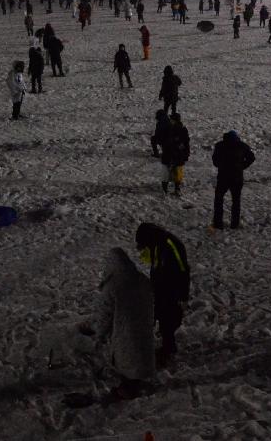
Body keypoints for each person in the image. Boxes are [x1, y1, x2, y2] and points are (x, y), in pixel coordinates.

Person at [92, 247, 156, 399]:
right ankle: (135, 383)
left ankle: (128, 390)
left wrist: (99, 334)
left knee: (127, 359)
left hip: (124, 331)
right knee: (139, 356)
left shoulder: (113, 286)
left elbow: (105, 315)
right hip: (143, 327)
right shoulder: (142, 279)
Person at [135, 223, 190, 363]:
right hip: (160, 286)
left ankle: (169, 348)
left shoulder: (170, 245)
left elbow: (183, 270)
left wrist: (183, 295)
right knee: (160, 313)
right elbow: (155, 265)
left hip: (172, 288)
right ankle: (166, 344)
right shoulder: (156, 244)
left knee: (168, 317)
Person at [211, 131, 255, 229]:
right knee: (236, 201)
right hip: (237, 177)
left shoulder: (220, 145)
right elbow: (251, 157)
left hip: (223, 176)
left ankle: (218, 224)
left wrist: (220, 165)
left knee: (218, 200)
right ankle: (234, 224)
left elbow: (215, 159)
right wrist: (242, 166)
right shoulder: (242, 145)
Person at [160, 113, 189, 196]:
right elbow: (186, 143)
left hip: (172, 154)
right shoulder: (182, 129)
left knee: (169, 172)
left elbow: (185, 143)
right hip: (176, 154)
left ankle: (169, 189)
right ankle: (174, 188)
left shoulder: (170, 129)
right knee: (175, 172)